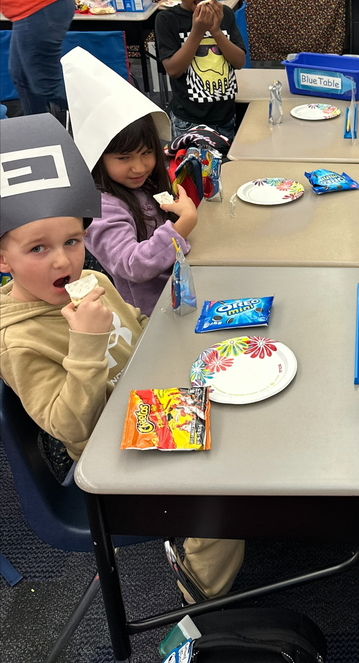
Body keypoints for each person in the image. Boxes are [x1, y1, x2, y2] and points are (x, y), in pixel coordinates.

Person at [0, 113, 244, 601]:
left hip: (148, 398)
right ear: (3, 260)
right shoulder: (19, 341)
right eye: (38, 249)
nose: (63, 260)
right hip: (109, 450)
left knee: (244, 410)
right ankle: (201, 590)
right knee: (222, 483)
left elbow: (137, 330)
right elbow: (71, 427)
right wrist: (86, 344)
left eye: (72, 242)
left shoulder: (93, 281)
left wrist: (186, 337)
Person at [62, 46, 197, 316]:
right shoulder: (102, 207)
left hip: (182, 290)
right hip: (153, 314)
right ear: (98, 157)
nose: (139, 167)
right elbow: (132, 264)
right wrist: (182, 225)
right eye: (124, 158)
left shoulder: (145, 184)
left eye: (146, 153)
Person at [154, 0, 246, 144]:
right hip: (188, 120)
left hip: (225, 116)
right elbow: (173, 69)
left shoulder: (224, 13)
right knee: (191, 164)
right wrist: (197, 31)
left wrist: (216, 31)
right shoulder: (167, 20)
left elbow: (239, 62)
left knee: (223, 161)